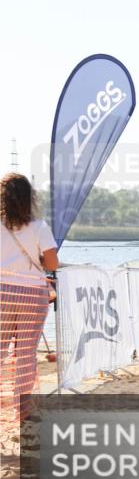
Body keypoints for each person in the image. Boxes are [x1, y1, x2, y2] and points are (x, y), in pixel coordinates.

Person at [1, 173, 59, 423]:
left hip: (2, 292)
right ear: (29, 198)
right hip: (32, 293)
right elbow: (53, 262)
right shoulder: (39, 227)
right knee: (25, 353)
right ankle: (22, 410)